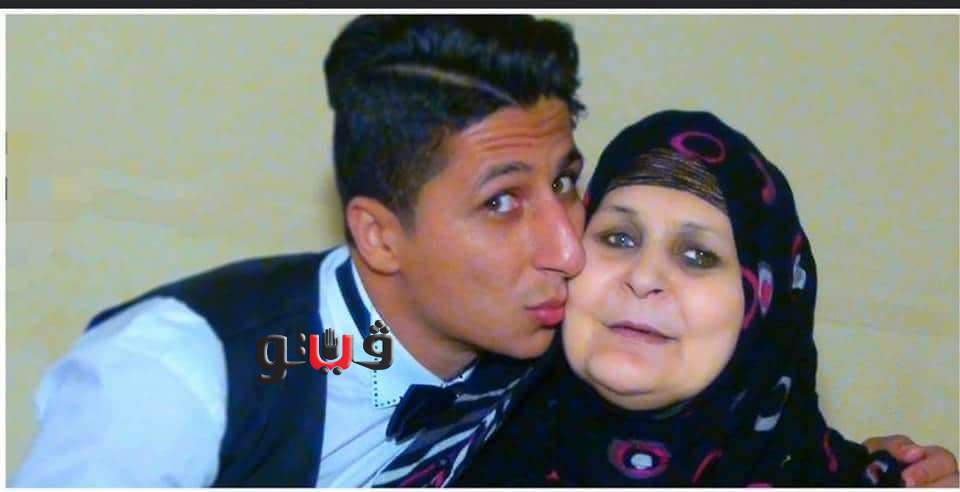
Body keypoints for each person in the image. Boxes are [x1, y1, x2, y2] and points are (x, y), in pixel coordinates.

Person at [13, 16, 957, 488]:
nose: (567, 247)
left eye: (568, 183)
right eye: (502, 203)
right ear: (380, 234)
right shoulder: (182, 380)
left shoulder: (553, 351)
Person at [455, 110, 954, 487]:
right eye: (619, 238)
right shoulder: (444, 455)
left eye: (698, 256)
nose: (644, 277)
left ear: (762, 307)